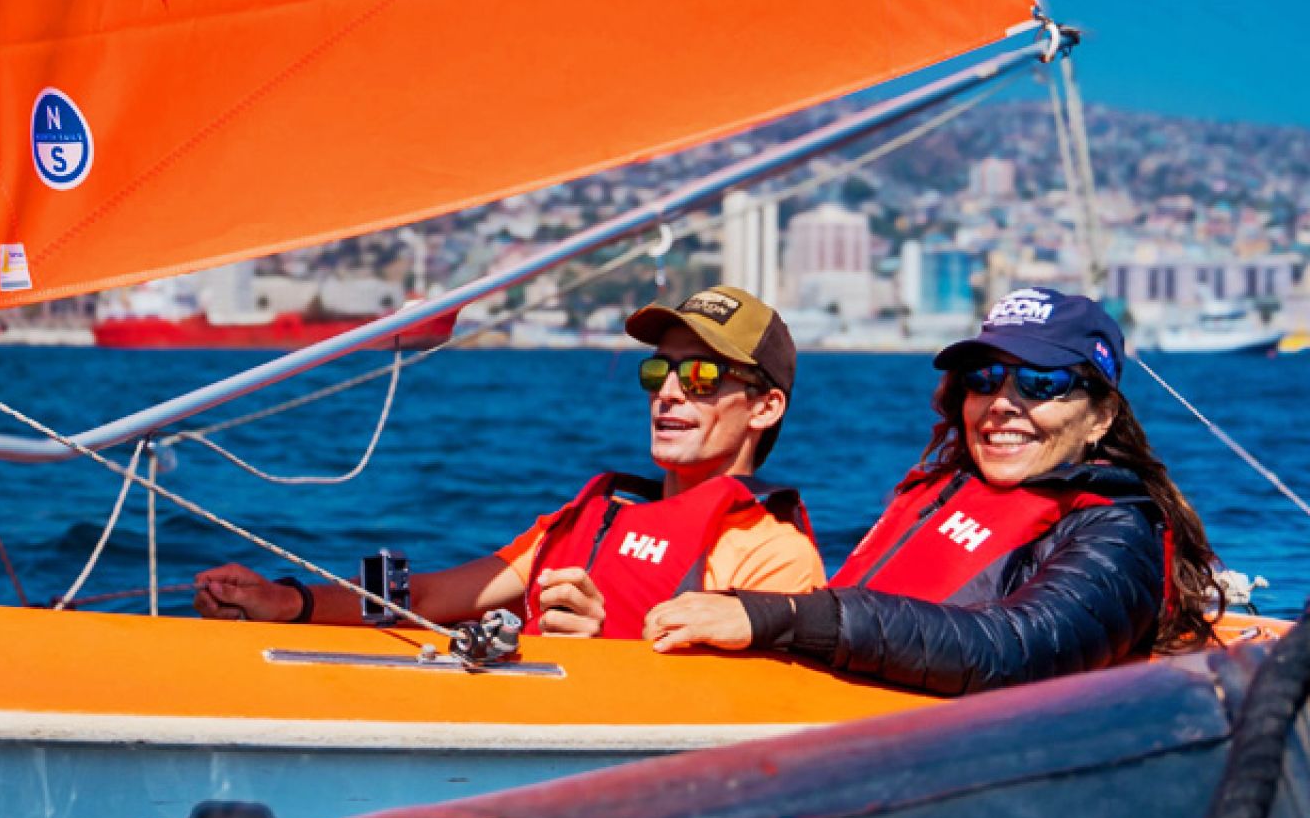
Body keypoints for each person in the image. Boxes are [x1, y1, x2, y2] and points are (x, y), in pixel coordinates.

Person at [643, 288, 1224, 694]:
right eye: (984, 378)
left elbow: (1013, 652)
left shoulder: (1118, 538)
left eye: (1040, 383)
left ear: (1099, 416)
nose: (1002, 403)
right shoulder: (941, 495)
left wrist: (781, 616)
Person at [194, 287, 825, 633]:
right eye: (660, 371)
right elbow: (430, 595)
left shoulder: (773, 554)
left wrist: (603, 650)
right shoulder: (596, 517)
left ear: (765, 408)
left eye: (703, 375)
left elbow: (746, 720)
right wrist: (289, 603)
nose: (670, 391)